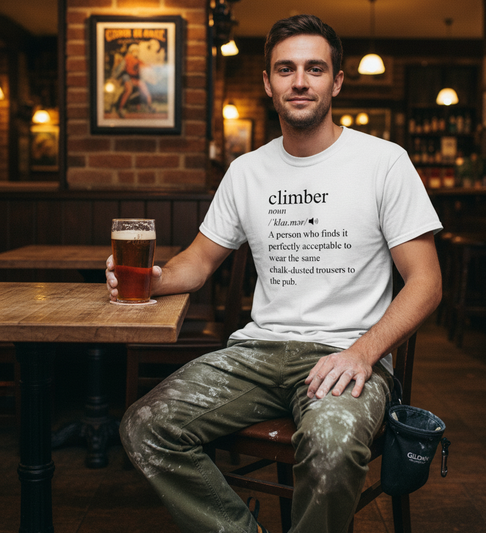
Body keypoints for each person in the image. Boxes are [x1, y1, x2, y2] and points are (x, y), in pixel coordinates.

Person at [106, 14, 442, 533]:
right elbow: (195, 264)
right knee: (145, 426)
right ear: (268, 82)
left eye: (315, 68)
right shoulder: (247, 170)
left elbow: (426, 283)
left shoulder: (384, 162)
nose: (300, 81)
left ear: (337, 81)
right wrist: (151, 279)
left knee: (330, 445)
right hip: (255, 354)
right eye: (286, 69)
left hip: (349, 355)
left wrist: (363, 352)